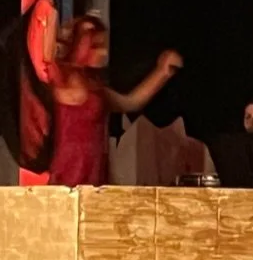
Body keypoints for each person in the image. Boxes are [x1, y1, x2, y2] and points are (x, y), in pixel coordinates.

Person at [43, 13, 182, 187]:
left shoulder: (97, 92)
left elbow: (131, 102)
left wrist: (162, 72)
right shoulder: (58, 80)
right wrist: (50, 10)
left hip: (95, 180)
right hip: (63, 181)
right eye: (96, 45)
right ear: (80, 45)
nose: (103, 53)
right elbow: (46, 56)